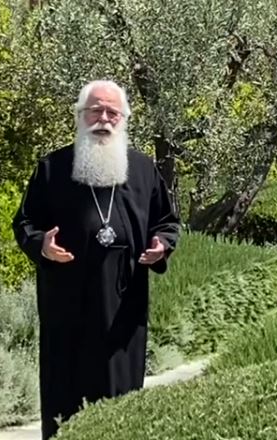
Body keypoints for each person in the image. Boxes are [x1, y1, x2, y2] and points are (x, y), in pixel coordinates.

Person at [12, 79, 181, 439]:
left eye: (112, 113)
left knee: (120, 408)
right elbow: (25, 222)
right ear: (80, 116)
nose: (103, 119)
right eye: (95, 111)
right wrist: (42, 245)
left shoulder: (143, 169)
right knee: (66, 405)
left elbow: (167, 222)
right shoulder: (52, 168)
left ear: (124, 119)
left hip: (123, 310)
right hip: (66, 307)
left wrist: (162, 245)